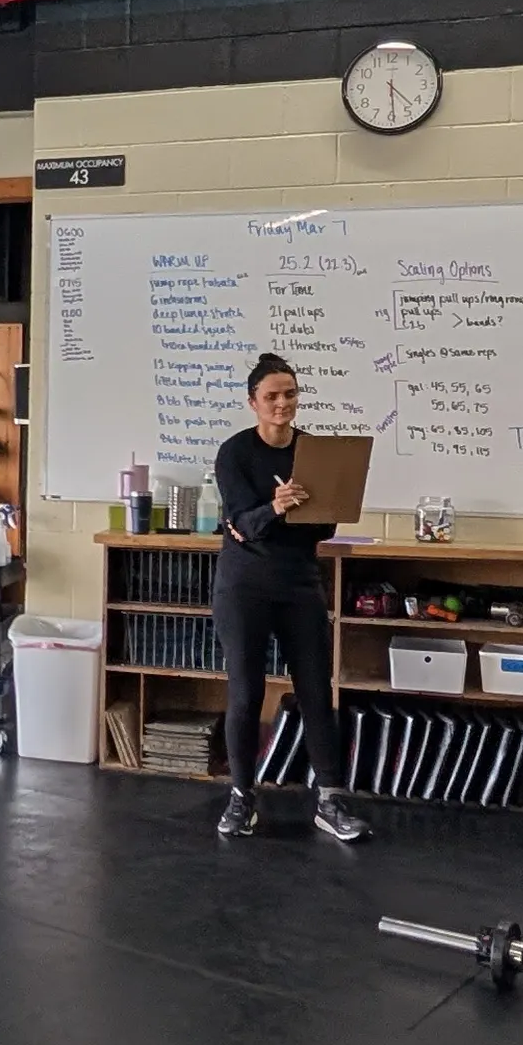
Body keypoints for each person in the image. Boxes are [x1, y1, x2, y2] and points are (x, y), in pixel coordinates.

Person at [212, 353, 368, 843]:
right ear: (253, 402)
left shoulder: (315, 452)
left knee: (317, 691)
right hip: (245, 583)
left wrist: (304, 510)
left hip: (299, 579)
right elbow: (241, 525)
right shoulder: (234, 453)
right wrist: (277, 507)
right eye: (272, 396)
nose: (283, 404)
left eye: (290, 394)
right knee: (246, 690)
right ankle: (242, 797)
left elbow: (326, 522)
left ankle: (331, 799)